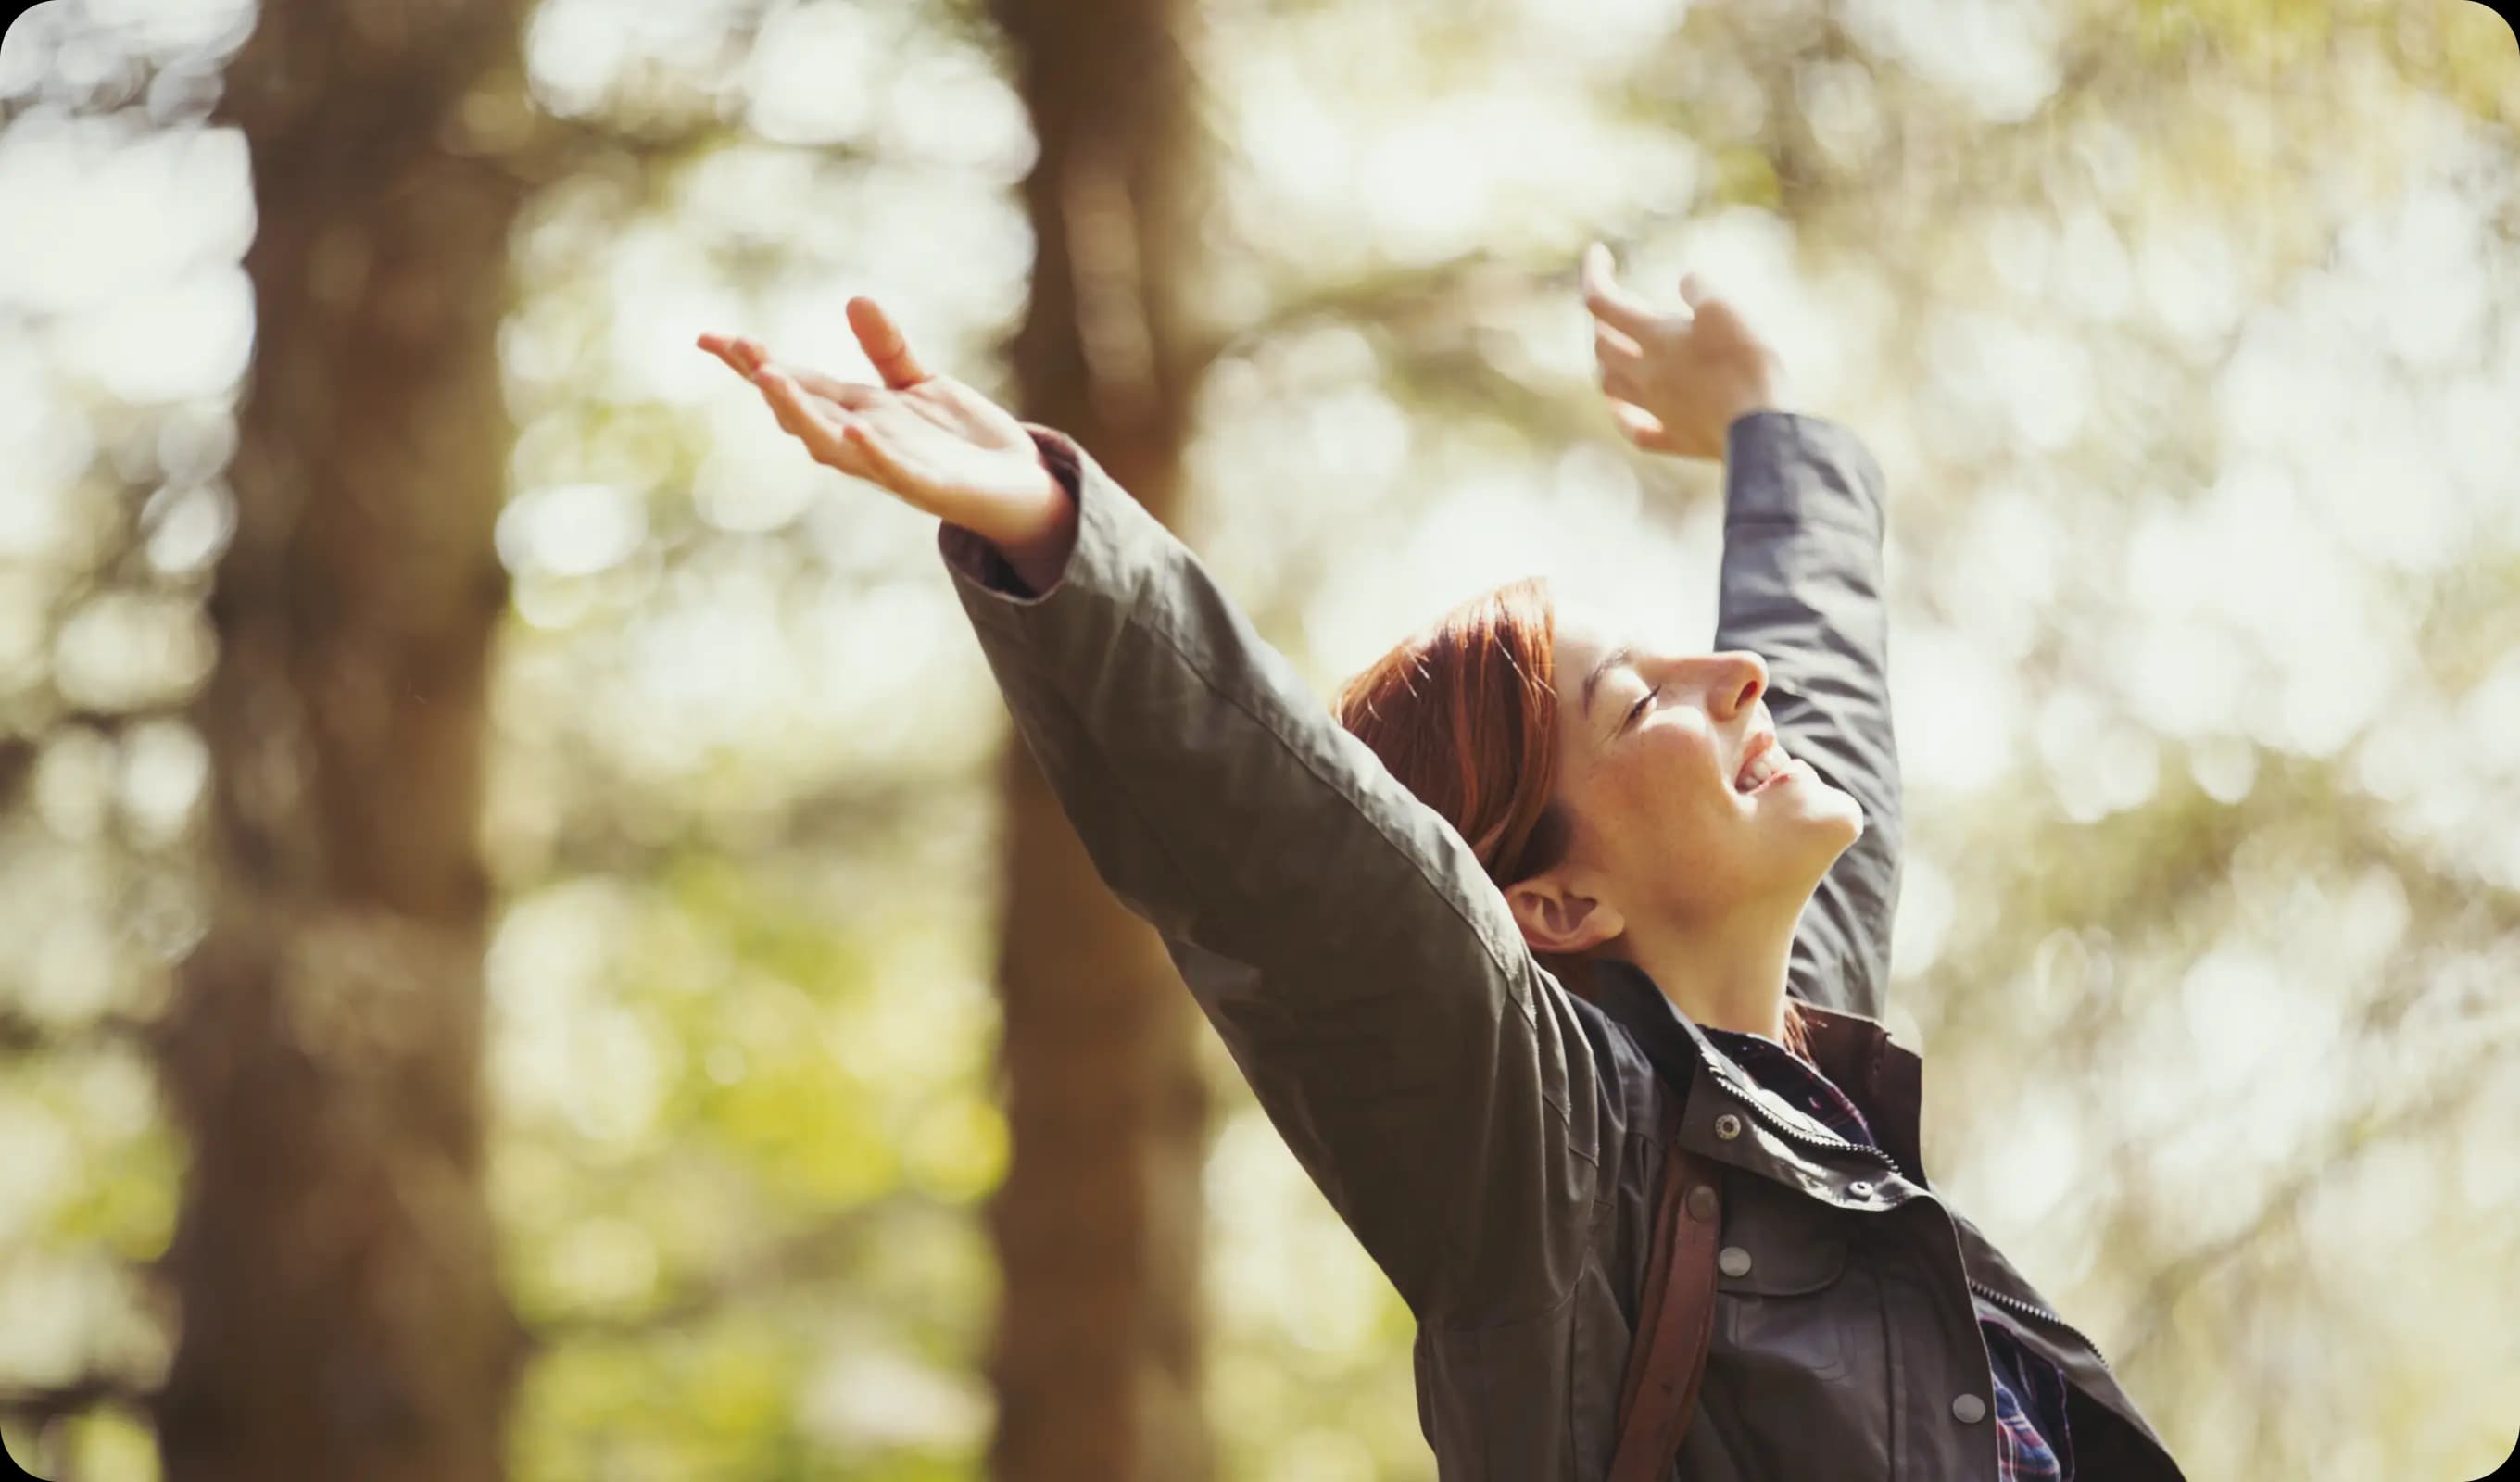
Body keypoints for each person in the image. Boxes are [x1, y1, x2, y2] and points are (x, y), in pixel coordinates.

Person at [693, 246, 2189, 1482]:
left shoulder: (1794, 1083)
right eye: (1636, 701)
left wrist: (1767, 423)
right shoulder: (1550, 1153)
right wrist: (1057, 534)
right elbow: (1300, 850)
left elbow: (1824, 697)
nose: (1734, 675)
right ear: (1550, 906)